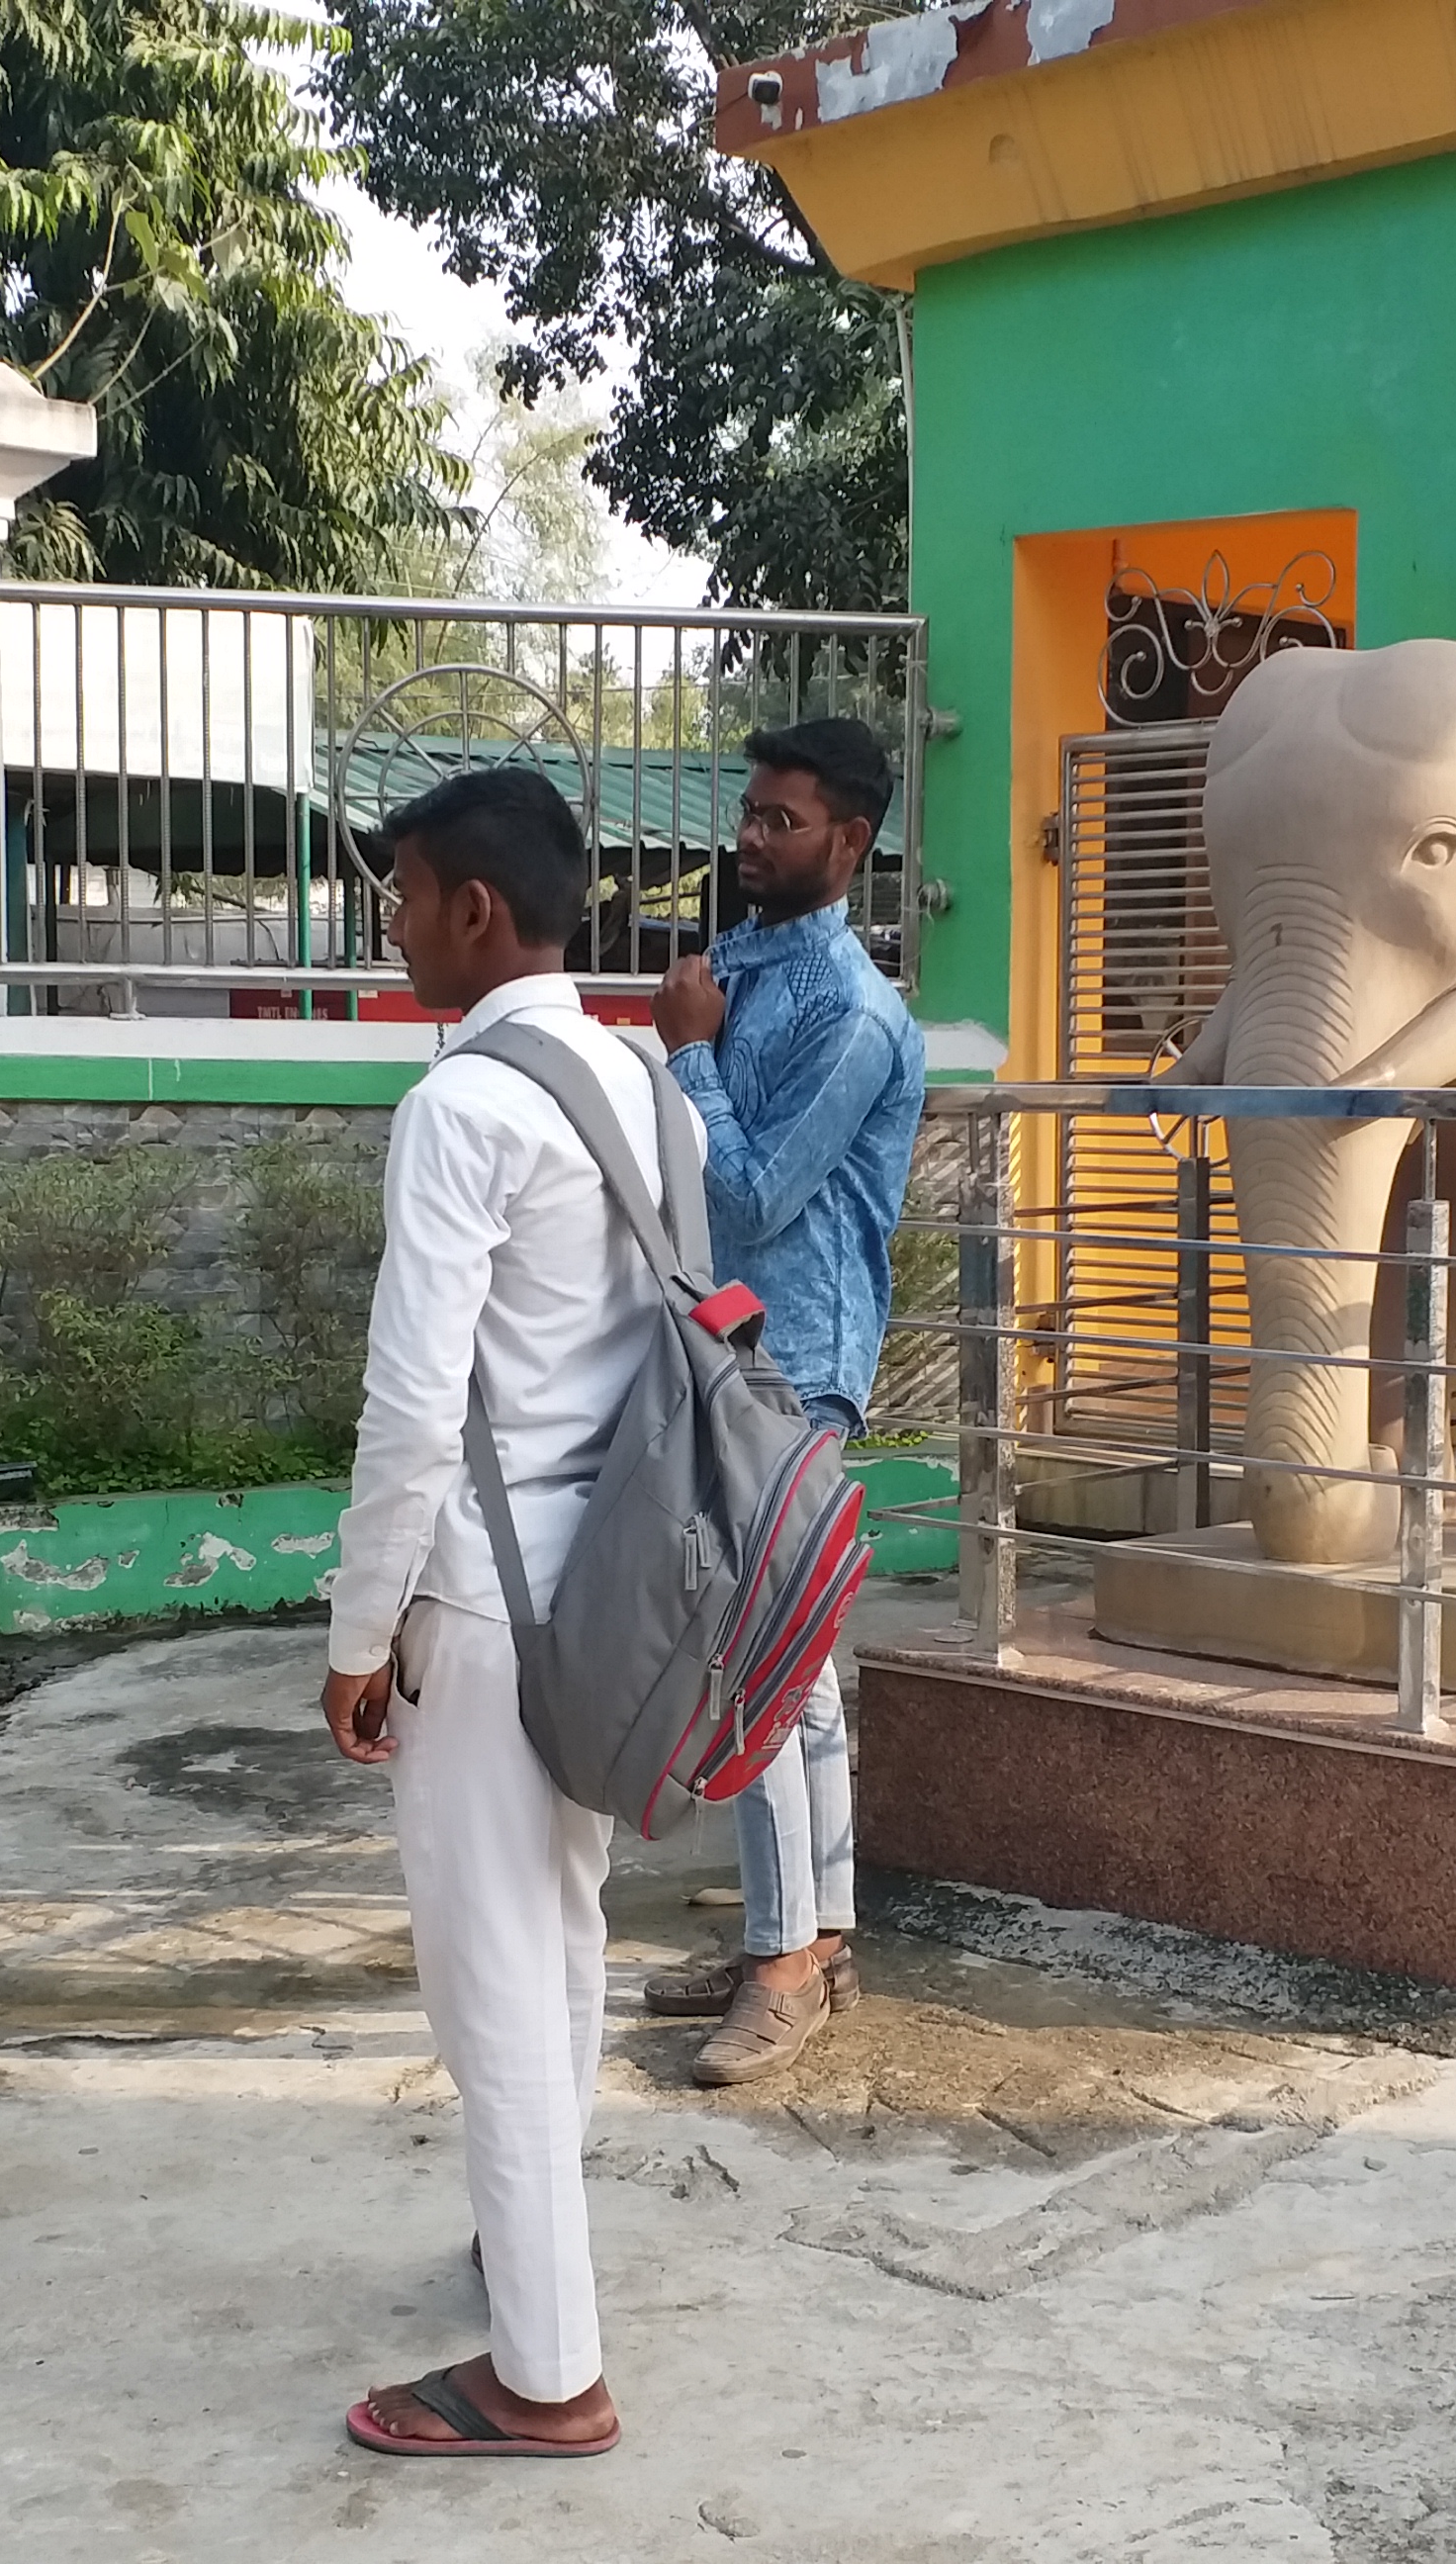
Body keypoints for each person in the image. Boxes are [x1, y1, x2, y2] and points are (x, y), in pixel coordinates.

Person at [318, 765, 667, 2459]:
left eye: (401, 889)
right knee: (567, 1929)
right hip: (617, 1581)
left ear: (474, 908)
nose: (390, 919)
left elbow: (410, 1407)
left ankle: (547, 2375)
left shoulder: (462, 1106)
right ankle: (539, 2255)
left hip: (479, 1592)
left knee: (493, 1983)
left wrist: (353, 1633)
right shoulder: (636, 1074)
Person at [642, 714, 922, 2087]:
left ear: (851, 841)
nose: (750, 840)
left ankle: (783, 1961)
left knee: (763, 1657)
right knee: (778, 1661)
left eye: (781, 823)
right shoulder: (739, 960)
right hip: (719, 1340)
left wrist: (688, 1051)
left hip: (798, 1359)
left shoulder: (855, 1016)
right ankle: (806, 1934)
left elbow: (756, 1189)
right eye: (748, 815)